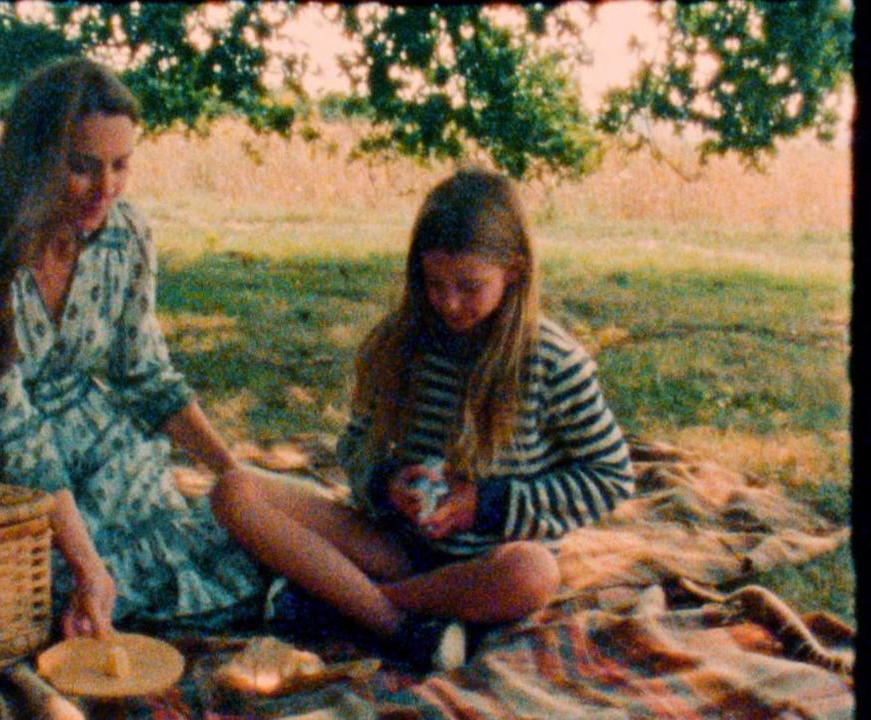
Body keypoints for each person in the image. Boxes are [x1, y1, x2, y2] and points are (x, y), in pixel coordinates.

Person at [0, 56, 271, 649]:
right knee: (74, 588)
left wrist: (232, 471)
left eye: (121, 166)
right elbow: (11, 436)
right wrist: (89, 565)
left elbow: (144, 373)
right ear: (35, 159)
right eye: (81, 167)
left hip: (96, 438)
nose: (106, 189)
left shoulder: (125, 235)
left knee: (222, 544)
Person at [210, 169, 636, 670]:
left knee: (534, 574)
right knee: (234, 490)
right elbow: (356, 444)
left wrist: (486, 504)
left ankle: (348, 602)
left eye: (470, 286)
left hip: (486, 565)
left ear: (514, 272)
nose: (450, 303)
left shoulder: (551, 361)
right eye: (435, 284)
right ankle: (405, 626)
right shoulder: (399, 342)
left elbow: (610, 478)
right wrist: (388, 484)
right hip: (400, 546)